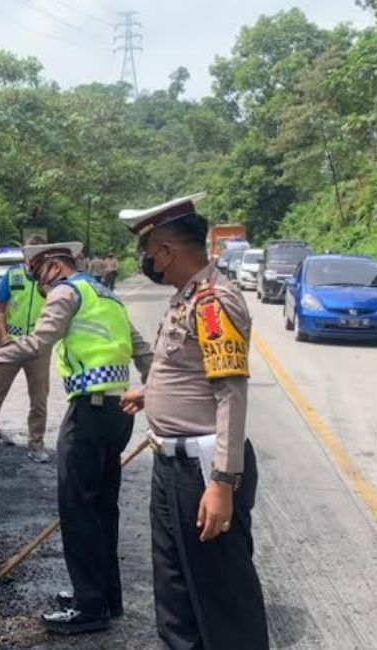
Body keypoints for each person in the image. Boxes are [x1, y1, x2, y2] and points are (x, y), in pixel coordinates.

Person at [0, 242, 153, 636]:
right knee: (103, 510)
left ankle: (89, 608)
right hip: (117, 414)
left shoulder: (66, 291)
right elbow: (145, 354)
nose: (39, 285)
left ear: (54, 267)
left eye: (38, 274)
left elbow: (37, 343)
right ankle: (104, 597)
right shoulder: (105, 294)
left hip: (89, 416)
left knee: (77, 511)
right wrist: (151, 393)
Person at [118, 194, 269, 650]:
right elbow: (188, 368)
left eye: (147, 251)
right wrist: (152, 394)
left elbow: (230, 393)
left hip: (203, 470)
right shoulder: (186, 297)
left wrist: (223, 481)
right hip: (170, 466)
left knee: (223, 599)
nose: (146, 261)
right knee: (175, 594)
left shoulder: (213, 302)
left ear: (167, 250)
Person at [0, 236, 51, 462]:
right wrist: (4, 336)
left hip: (38, 346)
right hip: (12, 344)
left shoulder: (50, 280)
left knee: (39, 398)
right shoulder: (13, 274)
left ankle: (36, 444)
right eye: (31, 253)